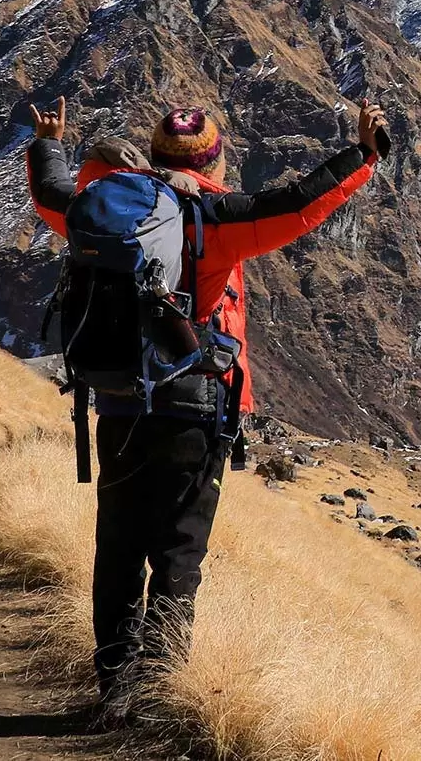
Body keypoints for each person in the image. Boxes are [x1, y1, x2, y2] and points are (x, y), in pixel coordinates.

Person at [23, 96, 389, 713]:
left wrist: (49, 143)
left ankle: (114, 685)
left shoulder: (106, 207)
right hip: (193, 407)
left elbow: (52, 194)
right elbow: (297, 204)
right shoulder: (211, 219)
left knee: (118, 545)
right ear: (215, 162)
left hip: (116, 403)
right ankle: (159, 695)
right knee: (177, 552)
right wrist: (363, 155)